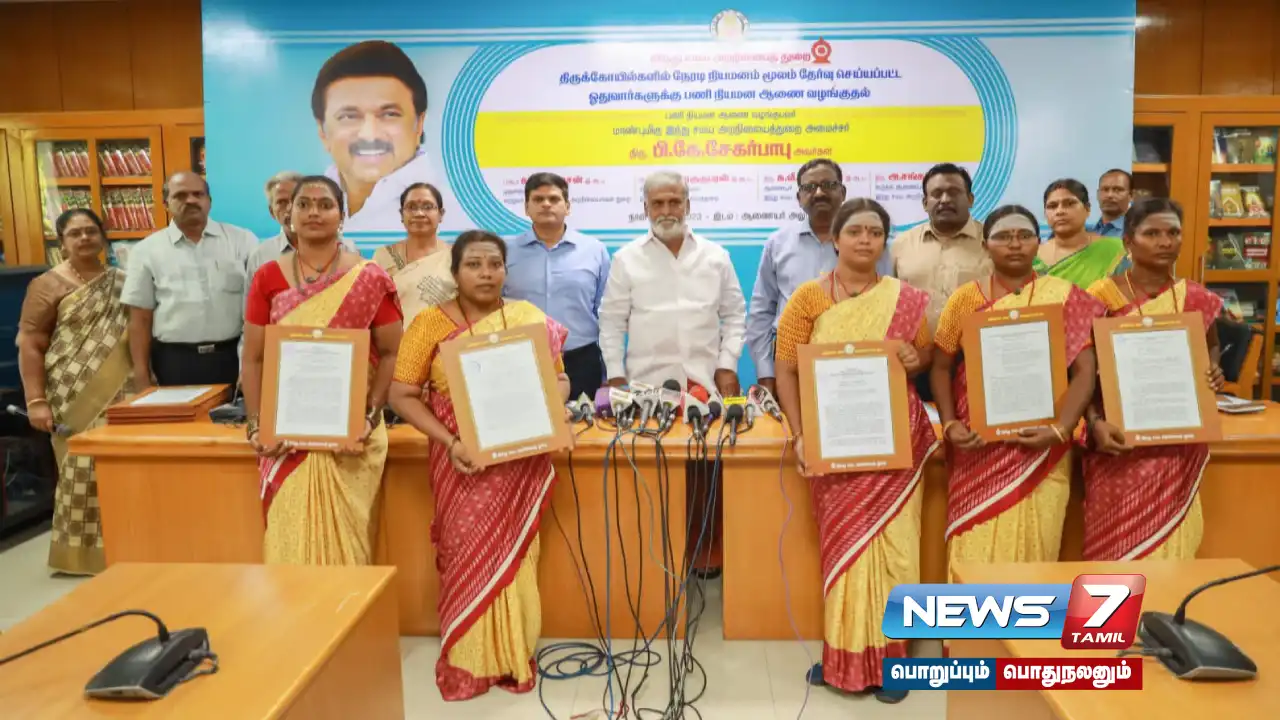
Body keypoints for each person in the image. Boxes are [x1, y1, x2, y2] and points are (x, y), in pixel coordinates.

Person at [387, 230, 571, 701]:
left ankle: (513, 654)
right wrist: (450, 441)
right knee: (465, 549)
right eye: (474, 265)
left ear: (506, 270)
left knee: (516, 556)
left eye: (494, 264)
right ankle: (471, 661)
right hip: (462, 463)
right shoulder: (429, 324)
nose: (486, 273)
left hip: (520, 459)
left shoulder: (527, 318)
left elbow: (560, 379)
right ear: (455, 273)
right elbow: (402, 394)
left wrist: (550, 406)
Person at [772, 198, 937, 704]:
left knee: (895, 549)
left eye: (875, 232)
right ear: (837, 238)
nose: (865, 239)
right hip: (835, 441)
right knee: (844, 548)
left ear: (884, 241)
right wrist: (800, 434)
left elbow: (924, 353)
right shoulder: (808, 298)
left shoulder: (905, 298)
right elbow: (786, 368)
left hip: (895, 440)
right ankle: (843, 653)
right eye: (855, 231)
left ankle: (894, 660)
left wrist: (914, 356)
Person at [930, 205, 1106, 571]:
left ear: (1038, 243)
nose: (1015, 244)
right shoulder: (965, 299)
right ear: (985, 245)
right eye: (1003, 237)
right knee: (974, 551)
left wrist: (1060, 429)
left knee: (1035, 552)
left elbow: (1085, 370)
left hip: (1044, 447)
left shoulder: (1063, 297)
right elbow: (941, 367)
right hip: (979, 447)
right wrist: (949, 424)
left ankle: (1027, 613)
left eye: (1025, 236)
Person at [240, 175, 403, 565]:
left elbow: (391, 353)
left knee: (348, 550)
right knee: (289, 542)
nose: (314, 212)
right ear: (289, 213)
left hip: (351, 438)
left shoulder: (369, 277)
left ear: (342, 216)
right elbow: (254, 357)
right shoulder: (268, 277)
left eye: (325, 204)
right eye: (304, 204)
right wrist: (256, 425)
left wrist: (370, 417)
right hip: (286, 437)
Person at [1082, 197, 1224, 560]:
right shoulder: (1101, 296)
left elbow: (1210, 345)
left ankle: (1165, 601)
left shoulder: (1194, 297)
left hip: (1177, 445)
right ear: (1128, 241)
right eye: (1152, 233)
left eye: (1173, 233)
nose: (1165, 242)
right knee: (1114, 554)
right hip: (1116, 442)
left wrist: (1213, 370)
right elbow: (1079, 371)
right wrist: (1094, 423)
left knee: (1172, 555)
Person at [17, 209, 132, 576]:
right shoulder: (46, 285)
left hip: (121, 390)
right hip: (70, 390)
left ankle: (127, 546)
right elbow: (30, 344)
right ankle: (80, 556)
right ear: (62, 241)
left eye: (90, 231)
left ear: (102, 236)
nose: (84, 238)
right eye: (75, 233)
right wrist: (36, 401)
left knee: (122, 469)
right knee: (79, 468)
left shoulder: (122, 280)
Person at [599, 170, 746, 396]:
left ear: (687, 206)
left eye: (674, 202)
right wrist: (615, 374)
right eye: (657, 204)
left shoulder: (716, 257)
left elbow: (735, 315)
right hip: (645, 392)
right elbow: (611, 322)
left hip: (705, 388)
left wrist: (727, 365)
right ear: (646, 209)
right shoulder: (625, 260)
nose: (666, 212)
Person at [121, 171, 258, 388]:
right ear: (166, 203)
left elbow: (259, 309)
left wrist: (253, 364)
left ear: (209, 201)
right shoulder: (146, 251)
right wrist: (141, 371)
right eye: (180, 196)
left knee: (238, 412)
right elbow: (140, 319)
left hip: (233, 357)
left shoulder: (242, 240)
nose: (191, 200)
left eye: (198, 194)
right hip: (174, 362)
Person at [505, 172, 611, 400]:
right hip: (521, 359)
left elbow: (605, 312)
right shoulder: (505, 252)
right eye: (538, 199)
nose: (546, 204)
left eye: (554, 199)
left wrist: (610, 369)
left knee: (584, 422)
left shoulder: (594, 250)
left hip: (581, 359)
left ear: (568, 207)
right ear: (526, 208)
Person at [746, 160, 848, 396]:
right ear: (799, 197)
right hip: (789, 366)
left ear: (842, 192)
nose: (819, 193)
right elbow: (761, 312)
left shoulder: (865, 242)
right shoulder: (778, 244)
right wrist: (766, 374)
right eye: (809, 187)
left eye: (828, 185)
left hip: (850, 362)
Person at [314, 40, 432, 232]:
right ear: (322, 131)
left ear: (419, 124)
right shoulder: (302, 208)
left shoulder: (453, 214)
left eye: (389, 114)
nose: (369, 135)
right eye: (349, 116)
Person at [890, 162, 989, 335]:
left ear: (970, 199)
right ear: (925, 203)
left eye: (954, 192)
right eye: (937, 194)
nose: (945, 200)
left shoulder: (991, 242)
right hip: (914, 349)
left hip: (975, 348)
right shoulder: (901, 245)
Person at [371, 182, 456, 325]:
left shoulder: (456, 255)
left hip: (447, 336)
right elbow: (374, 308)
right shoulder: (384, 256)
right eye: (411, 207)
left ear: (441, 214)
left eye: (428, 207)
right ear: (401, 214)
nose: (419, 213)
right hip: (397, 338)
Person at [249, 170, 354, 278]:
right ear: (272, 212)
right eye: (282, 202)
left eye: (301, 203)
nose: (289, 209)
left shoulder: (347, 249)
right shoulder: (261, 256)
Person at [1033, 178, 1128, 288]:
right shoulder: (1033, 256)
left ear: (1087, 209)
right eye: (1052, 206)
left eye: (1069, 204)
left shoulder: (1115, 249)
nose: (1060, 211)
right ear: (1045, 214)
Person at [1093, 169, 1133, 237]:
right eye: (1105, 189)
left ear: (1131, 195)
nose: (1109, 195)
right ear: (1097, 194)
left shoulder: (1135, 232)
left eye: (1117, 190)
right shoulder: (1087, 230)